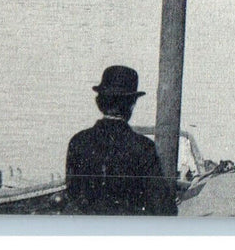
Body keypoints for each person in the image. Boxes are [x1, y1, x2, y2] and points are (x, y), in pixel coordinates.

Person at [65, 65, 177, 215]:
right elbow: (163, 208)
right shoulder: (143, 147)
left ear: (99, 102)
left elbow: (73, 194)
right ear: (131, 105)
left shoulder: (78, 142)